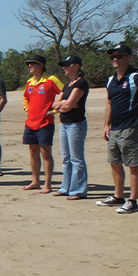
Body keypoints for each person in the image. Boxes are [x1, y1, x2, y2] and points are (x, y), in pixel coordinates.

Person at [96, 44, 138, 214]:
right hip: (115, 128)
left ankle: (132, 201)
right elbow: (109, 103)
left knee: (134, 164)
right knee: (114, 162)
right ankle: (118, 196)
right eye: (113, 56)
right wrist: (106, 125)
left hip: (132, 127)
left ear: (129, 57)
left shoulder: (136, 77)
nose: (115, 59)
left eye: (119, 56)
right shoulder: (111, 80)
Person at [22, 54, 64, 194]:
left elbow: (66, 92)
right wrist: (27, 109)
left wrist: (55, 110)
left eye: (33, 63)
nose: (30, 66)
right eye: (29, 64)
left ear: (41, 65)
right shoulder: (29, 82)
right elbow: (25, 98)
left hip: (45, 122)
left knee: (45, 152)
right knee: (33, 151)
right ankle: (35, 181)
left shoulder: (51, 80)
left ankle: (47, 183)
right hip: (31, 122)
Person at [52, 56, 89, 199]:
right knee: (65, 157)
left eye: (67, 65)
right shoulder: (67, 86)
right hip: (64, 123)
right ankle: (65, 187)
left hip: (76, 124)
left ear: (77, 66)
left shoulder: (81, 83)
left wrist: (66, 104)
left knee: (76, 158)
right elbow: (55, 105)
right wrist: (66, 104)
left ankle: (78, 190)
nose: (64, 68)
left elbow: (66, 106)